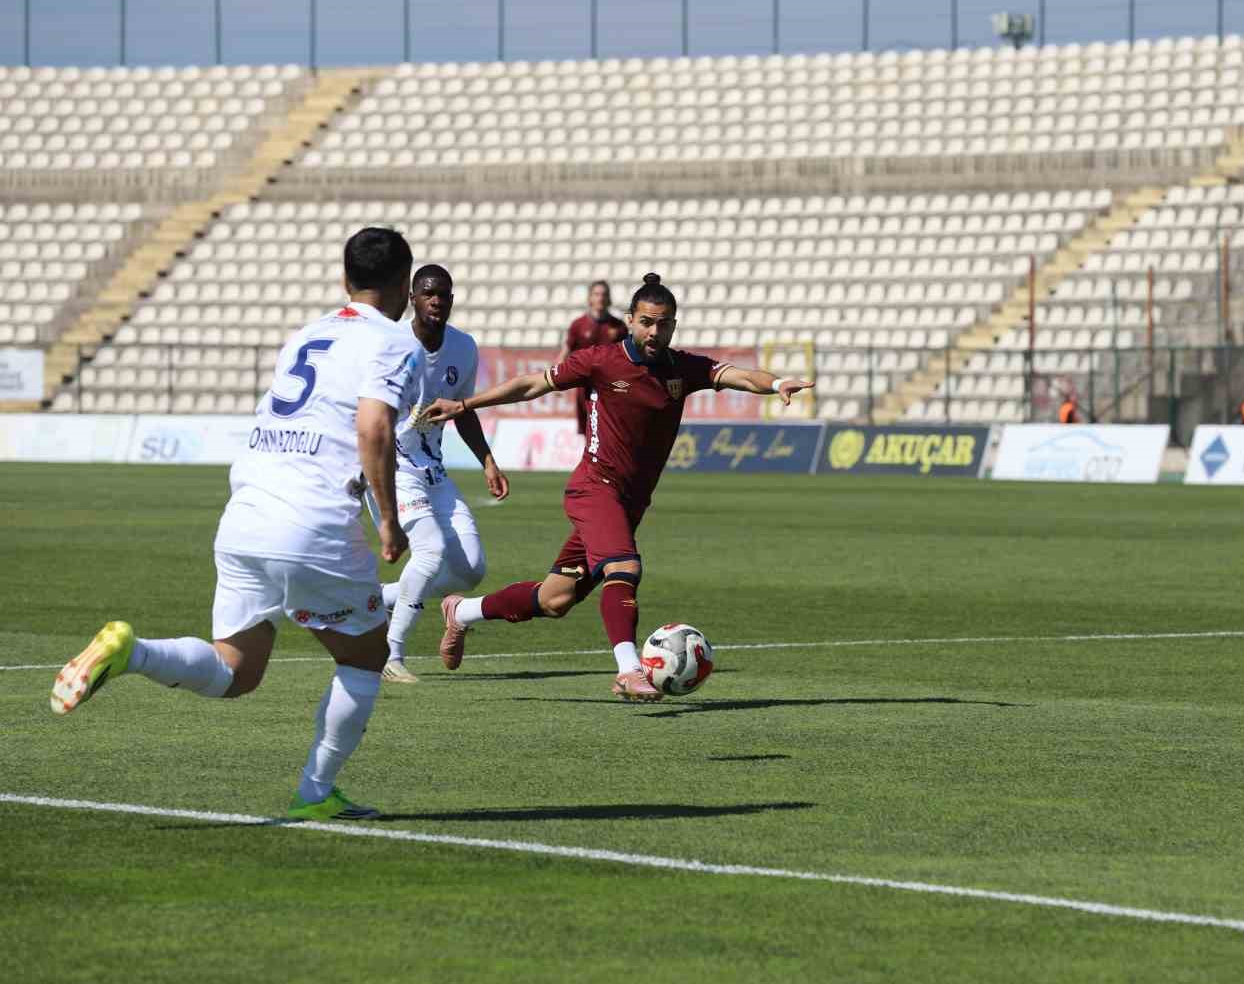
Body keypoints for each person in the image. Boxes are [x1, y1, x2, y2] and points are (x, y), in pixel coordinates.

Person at [49, 227, 424, 820]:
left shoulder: (306, 333)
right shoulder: (396, 344)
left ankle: (131, 652)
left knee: (236, 669)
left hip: (247, 512)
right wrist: (390, 523)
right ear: (405, 283)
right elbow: (373, 427)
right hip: (313, 521)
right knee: (364, 658)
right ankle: (315, 793)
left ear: (343, 278)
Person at [421, 273, 814, 701]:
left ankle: (462, 611)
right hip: (594, 488)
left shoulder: (682, 368)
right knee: (624, 569)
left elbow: (736, 375)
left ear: (673, 325)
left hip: (628, 503)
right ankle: (628, 670)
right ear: (629, 320)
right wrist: (465, 404)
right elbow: (533, 384)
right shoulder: (601, 360)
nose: (654, 332)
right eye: (646, 322)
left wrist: (776, 385)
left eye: (663, 324)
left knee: (555, 599)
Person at [372, 263, 509, 684]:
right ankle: (389, 653)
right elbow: (363, 414)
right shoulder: (388, 345)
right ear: (412, 298)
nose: (437, 300)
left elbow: (463, 411)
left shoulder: (464, 347)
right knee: (429, 552)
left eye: (444, 294)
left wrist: (487, 460)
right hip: (392, 469)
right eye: (428, 293)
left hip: (432, 470)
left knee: (470, 568)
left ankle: (378, 599)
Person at [559, 280, 627, 434]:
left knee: (609, 429)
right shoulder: (578, 325)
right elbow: (565, 352)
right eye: (596, 294)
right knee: (588, 430)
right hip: (585, 387)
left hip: (610, 387)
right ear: (590, 298)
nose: (600, 298)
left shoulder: (619, 327)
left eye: (604, 294)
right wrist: (557, 383)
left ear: (609, 298)